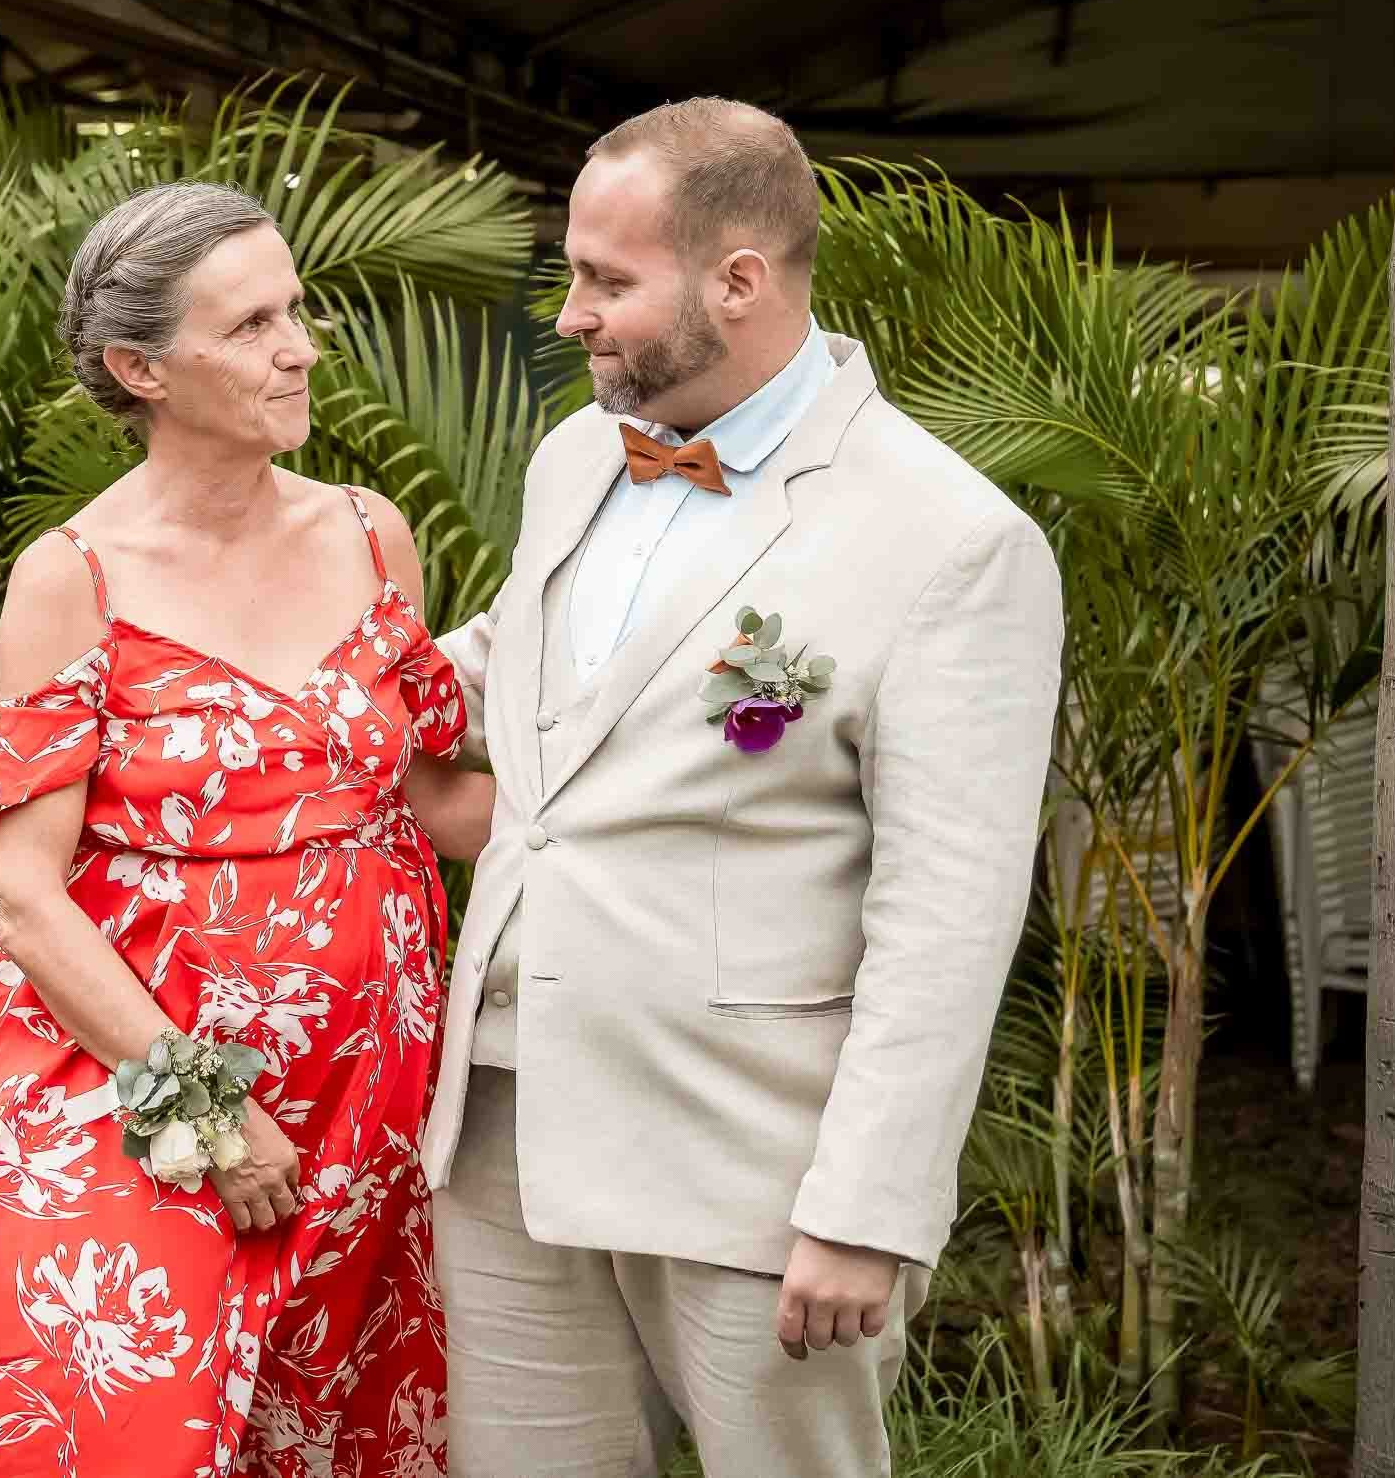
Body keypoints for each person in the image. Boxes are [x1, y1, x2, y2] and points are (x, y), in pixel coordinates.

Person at [0, 181, 495, 1478]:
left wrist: (649, 774)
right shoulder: (76, 576)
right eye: (249, 326)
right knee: (122, 1428)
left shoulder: (371, 534)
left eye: (296, 311)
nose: (298, 346)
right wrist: (209, 1114)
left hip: (368, 1096)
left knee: (319, 1427)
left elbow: (433, 799)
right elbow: (19, 892)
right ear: (142, 369)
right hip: (140, 1086)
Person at [427, 99, 1063, 1476]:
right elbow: (512, 668)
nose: (570, 315)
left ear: (740, 280)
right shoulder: (573, 458)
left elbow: (947, 917)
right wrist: (245, 699)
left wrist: (866, 1206)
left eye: (608, 281)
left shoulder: (952, 541)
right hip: (500, 1127)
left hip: (752, 1170)